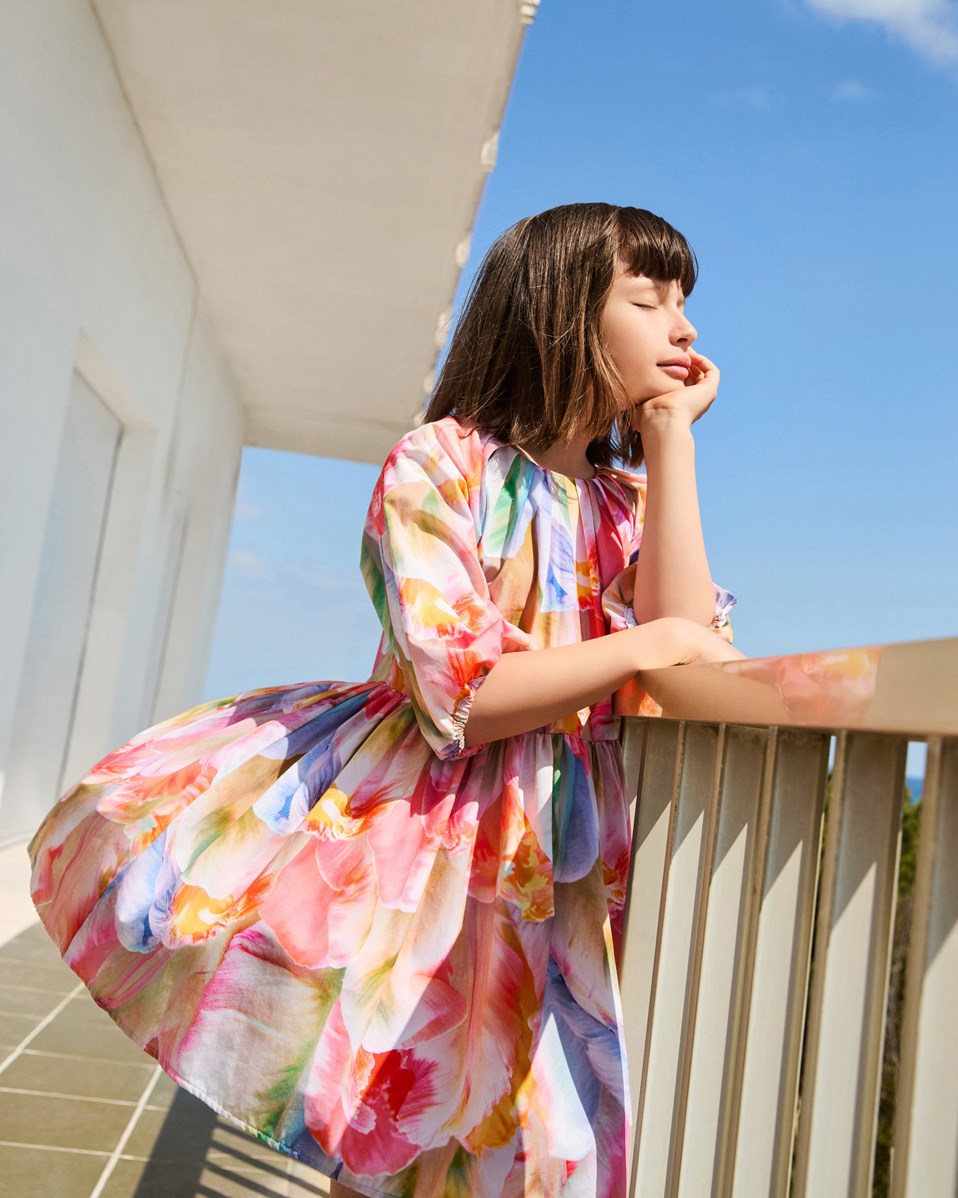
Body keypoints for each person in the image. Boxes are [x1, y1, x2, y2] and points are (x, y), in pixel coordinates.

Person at [28, 202, 743, 1198]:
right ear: (561, 310)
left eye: (685, 303)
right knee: (398, 1139)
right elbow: (465, 690)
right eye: (649, 298)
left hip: (571, 870)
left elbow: (689, 646)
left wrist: (671, 444)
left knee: (538, 1151)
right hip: (431, 857)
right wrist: (656, 639)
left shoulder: (630, 504)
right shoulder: (442, 463)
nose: (685, 327)